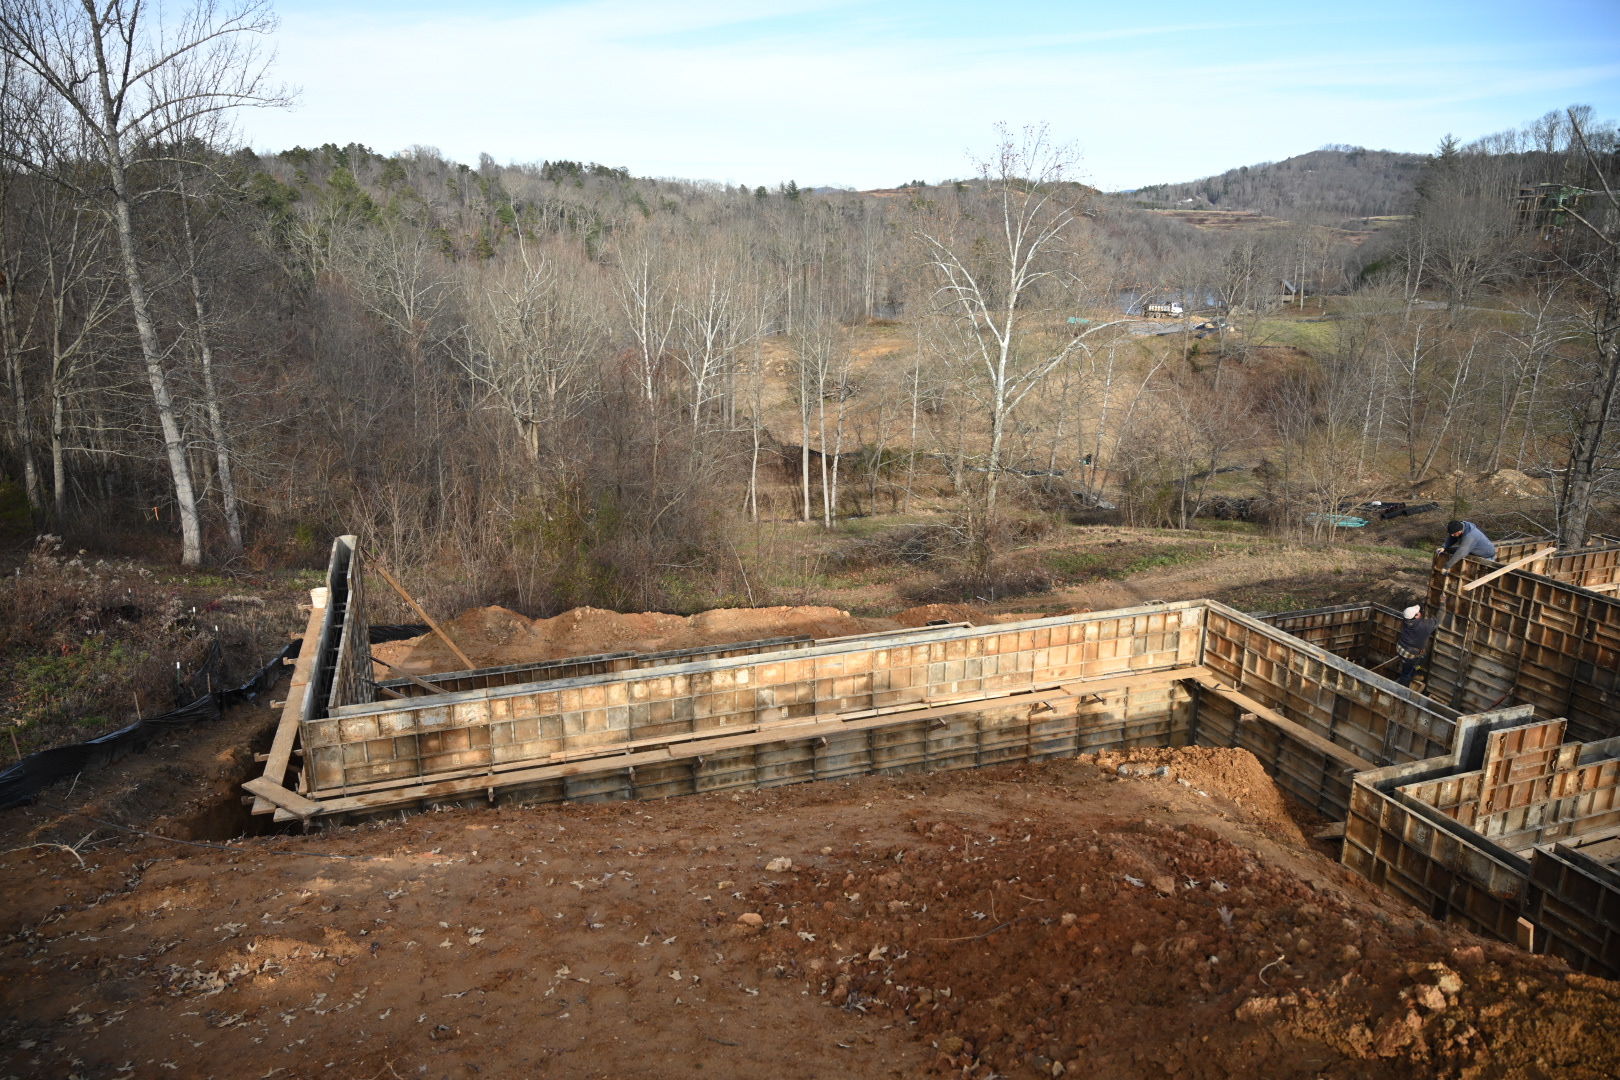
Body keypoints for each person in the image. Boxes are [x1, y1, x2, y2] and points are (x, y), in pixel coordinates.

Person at [1395, 603, 1439, 687]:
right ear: (1416, 616)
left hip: (1400, 648)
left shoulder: (1406, 620)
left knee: (1422, 657)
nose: (1420, 612)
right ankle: (1401, 689)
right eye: (1418, 612)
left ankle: (1413, 672)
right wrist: (1442, 605)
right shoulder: (1423, 626)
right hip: (1410, 654)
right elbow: (1438, 619)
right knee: (1406, 674)